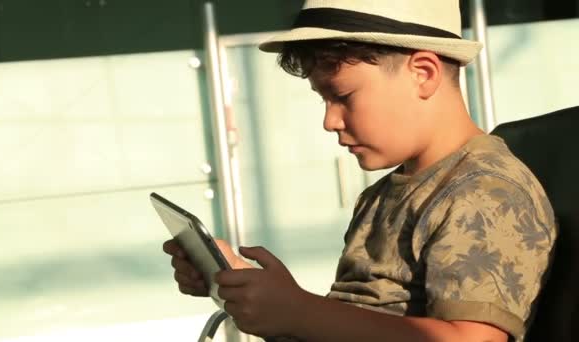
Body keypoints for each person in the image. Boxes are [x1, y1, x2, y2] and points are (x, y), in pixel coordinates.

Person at [163, 1, 557, 341]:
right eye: (324, 99)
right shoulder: (384, 195)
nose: (330, 120)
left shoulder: (484, 191)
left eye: (343, 96)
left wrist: (300, 311)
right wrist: (255, 295)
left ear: (423, 73)